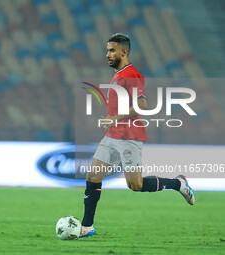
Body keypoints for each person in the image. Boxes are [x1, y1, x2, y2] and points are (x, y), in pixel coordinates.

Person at [80, 33, 195, 238]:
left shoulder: (130, 75)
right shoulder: (118, 75)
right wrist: (112, 119)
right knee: (93, 176)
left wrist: (115, 117)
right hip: (113, 135)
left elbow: (143, 105)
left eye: (112, 50)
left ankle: (178, 184)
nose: (107, 54)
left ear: (124, 52)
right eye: (107, 50)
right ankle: (87, 227)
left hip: (129, 136)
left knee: (136, 185)